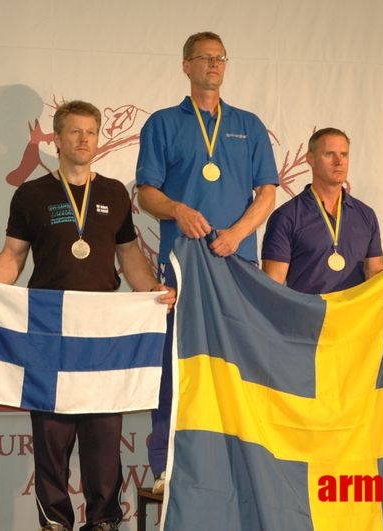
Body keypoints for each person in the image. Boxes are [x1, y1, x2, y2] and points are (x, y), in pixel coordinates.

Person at [0, 100, 175, 531]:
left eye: (90, 132)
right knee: (52, 442)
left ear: (98, 139)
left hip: (102, 335)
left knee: (103, 443)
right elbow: (13, 257)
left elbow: (130, 257)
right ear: (56, 140)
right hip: (49, 333)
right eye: (73, 132)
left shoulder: (114, 193)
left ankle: (103, 521)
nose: (83, 139)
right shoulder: (32, 194)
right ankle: (54, 521)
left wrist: (151, 290)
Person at [135, 31, 278, 492]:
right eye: (204, 58)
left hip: (237, 262)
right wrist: (177, 210)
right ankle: (167, 467)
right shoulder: (162, 123)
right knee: (178, 365)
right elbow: (147, 194)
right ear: (186, 65)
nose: (214, 65)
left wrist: (238, 233)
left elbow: (268, 192)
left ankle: (244, 465)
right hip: (184, 263)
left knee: (240, 364)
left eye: (220, 58)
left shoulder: (249, 124)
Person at [262, 127, 383, 293]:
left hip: (355, 317)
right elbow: (272, 286)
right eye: (329, 154)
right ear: (310, 159)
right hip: (308, 317)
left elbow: (375, 273)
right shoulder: (286, 216)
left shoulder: (366, 215)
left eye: (344, 154)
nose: (339, 161)